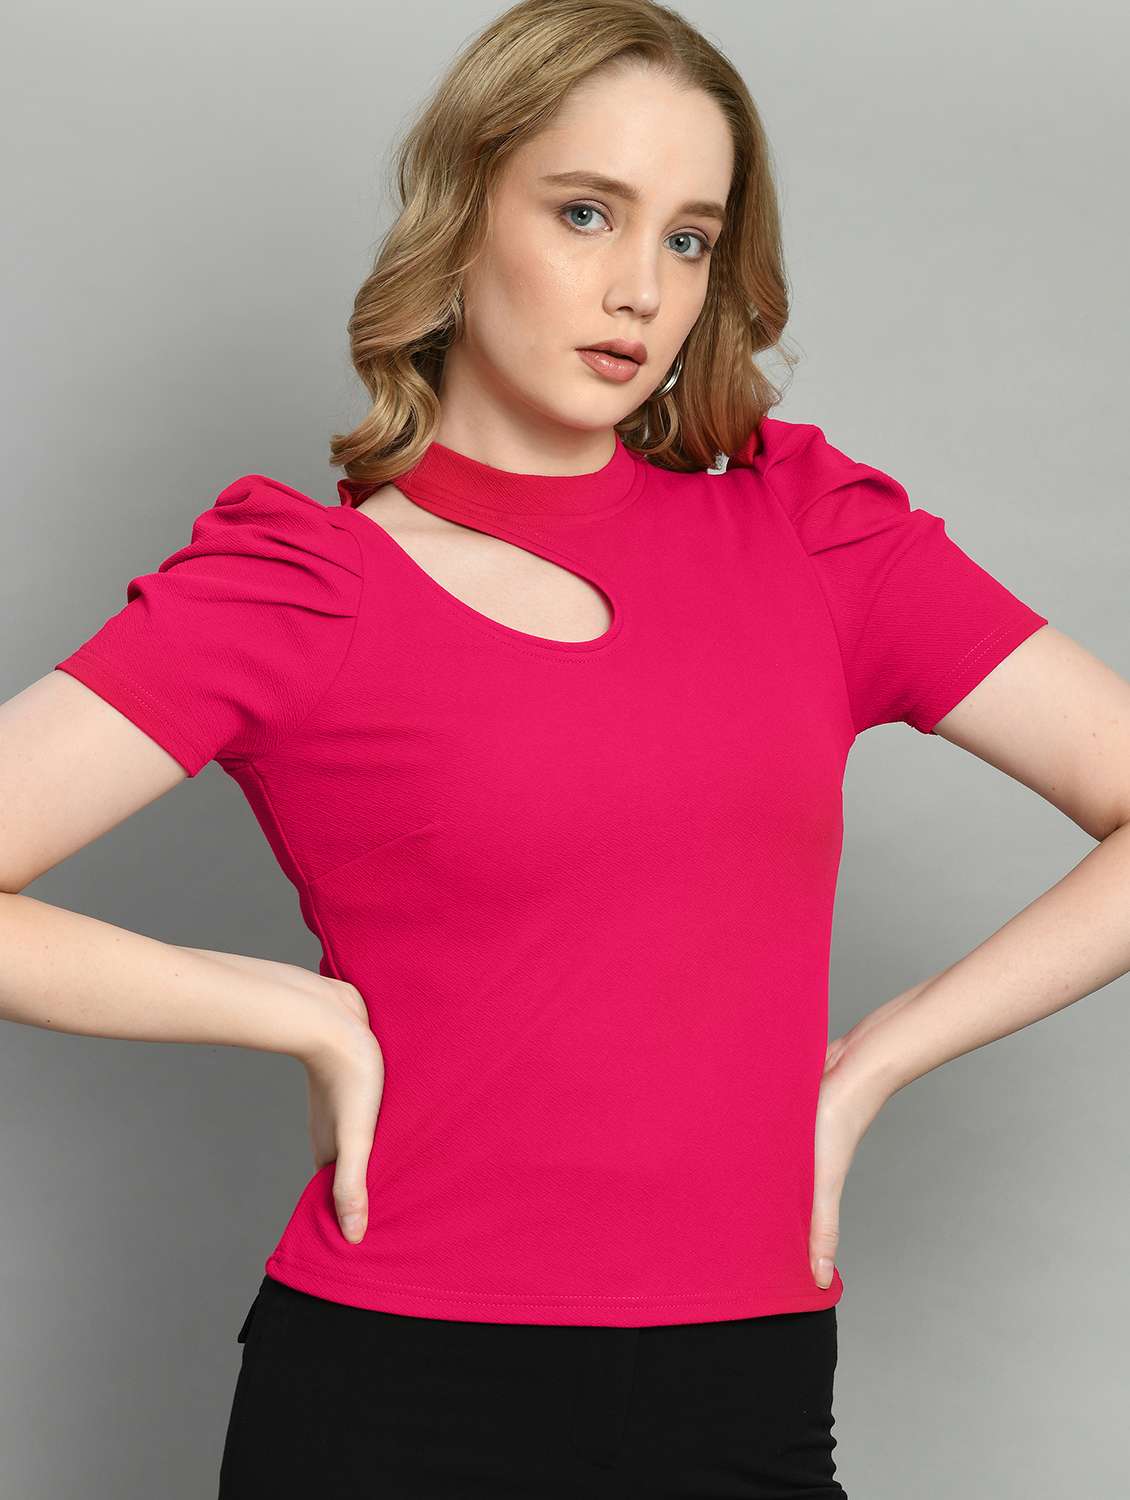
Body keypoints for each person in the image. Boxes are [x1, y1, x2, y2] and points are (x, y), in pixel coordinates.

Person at [2, 1, 1128, 1495]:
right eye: (586, 212)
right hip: (389, 1392)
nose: (640, 289)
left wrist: (877, 1059)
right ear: (464, 215)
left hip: (742, 1380)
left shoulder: (808, 538)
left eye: (688, 238)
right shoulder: (302, 589)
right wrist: (289, 1009)